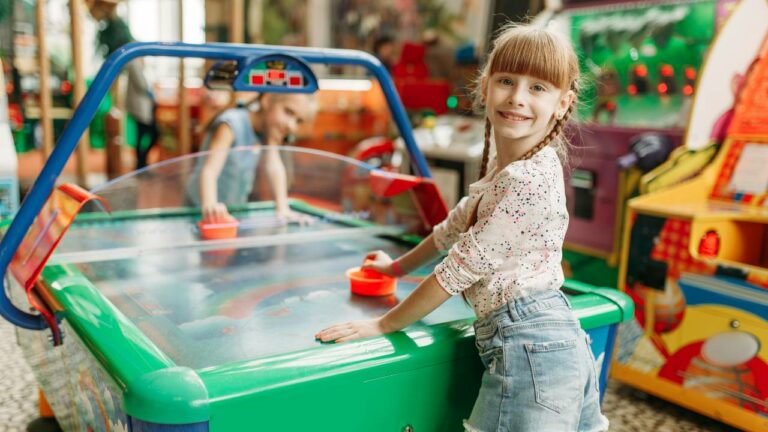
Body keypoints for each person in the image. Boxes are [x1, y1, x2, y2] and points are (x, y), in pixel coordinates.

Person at [316, 24, 608, 432]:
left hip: (530, 348)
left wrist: (384, 325)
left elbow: (458, 268)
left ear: (564, 102)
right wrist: (394, 270)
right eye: (507, 80)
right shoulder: (511, 170)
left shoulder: (528, 179)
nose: (518, 98)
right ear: (485, 87)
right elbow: (450, 230)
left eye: (538, 87)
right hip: (550, 343)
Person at [185, 93, 317, 224]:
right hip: (200, 209)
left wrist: (282, 208)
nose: (292, 126)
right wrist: (210, 206)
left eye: (298, 120)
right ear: (266, 100)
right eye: (288, 112)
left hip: (233, 210)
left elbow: (274, 165)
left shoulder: (268, 131)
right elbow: (209, 171)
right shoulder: (231, 124)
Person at [87, 0, 158, 170]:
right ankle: (141, 162)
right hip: (140, 103)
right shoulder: (131, 58)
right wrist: (150, 93)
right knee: (148, 132)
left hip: (138, 101)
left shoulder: (117, 29)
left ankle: (141, 161)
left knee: (144, 133)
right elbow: (141, 83)